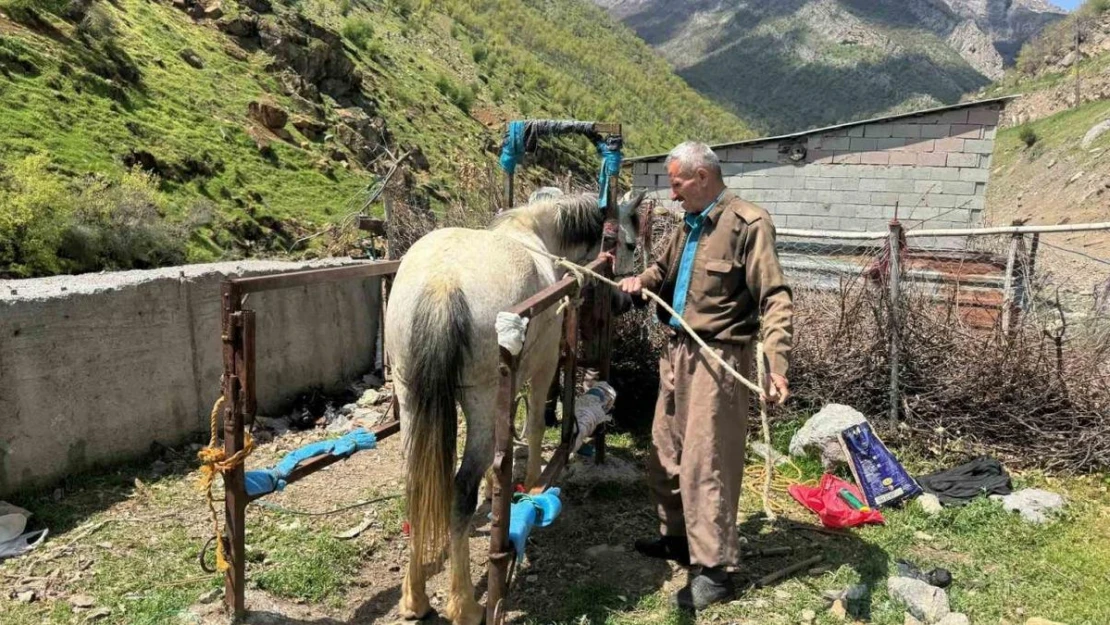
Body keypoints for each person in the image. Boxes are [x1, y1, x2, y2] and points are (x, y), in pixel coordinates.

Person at [618, 141, 794, 610]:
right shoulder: (689, 225)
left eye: (676, 183)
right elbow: (663, 270)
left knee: (707, 463)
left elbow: (775, 297)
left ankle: (715, 570)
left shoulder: (748, 224)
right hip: (676, 354)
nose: (673, 195)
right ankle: (678, 539)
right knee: (666, 452)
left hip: (718, 362)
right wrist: (640, 285)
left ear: (701, 177)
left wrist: (777, 363)